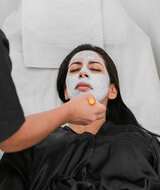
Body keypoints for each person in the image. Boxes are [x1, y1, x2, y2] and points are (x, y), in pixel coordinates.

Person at [0, 44, 160, 190]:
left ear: (113, 91)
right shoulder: (30, 143)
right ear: (65, 91)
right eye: (75, 70)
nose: (83, 72)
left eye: (96, 69)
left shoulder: (144, 141)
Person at [0, 0, 106, 152]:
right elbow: (10, 137)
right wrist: (67, 112)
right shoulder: (36, 151)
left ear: (113, 90)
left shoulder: (139, 143)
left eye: (95, 68)